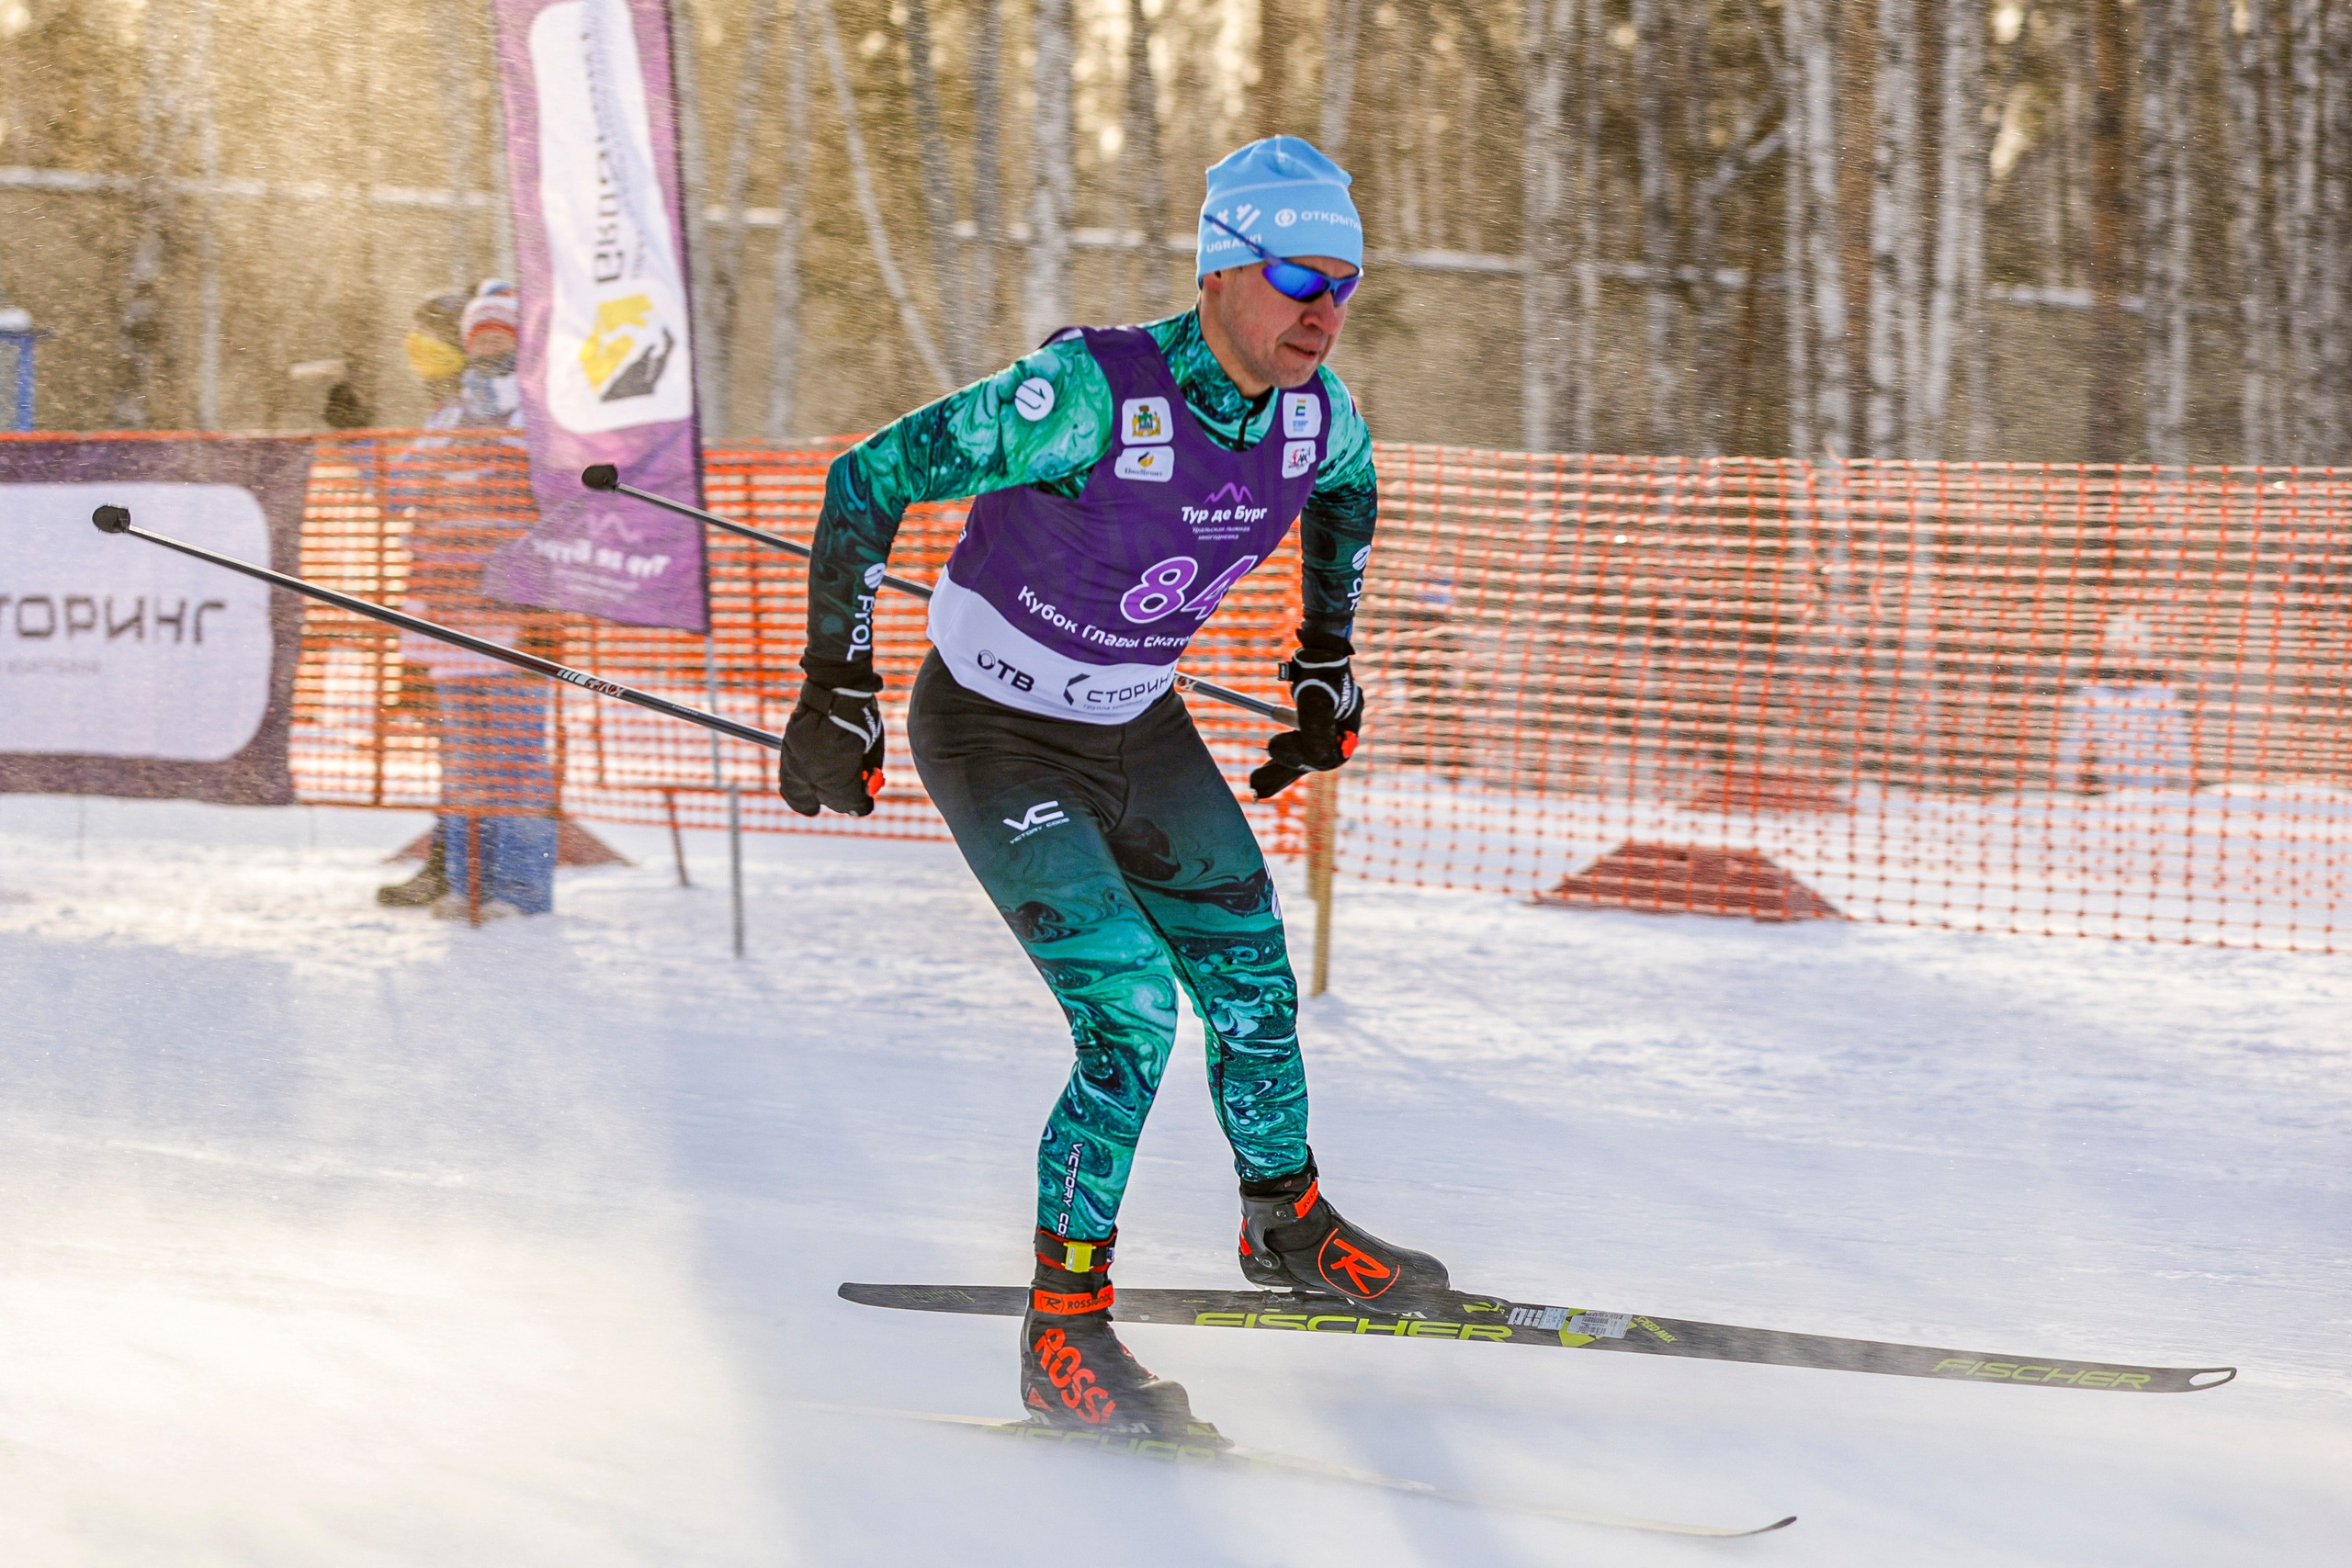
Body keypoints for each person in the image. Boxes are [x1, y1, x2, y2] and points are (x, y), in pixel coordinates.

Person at [778, 138, 1444, 1438]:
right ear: (1220, 269)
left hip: (1134, 721)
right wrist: (834, 686)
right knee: (1133, 1012)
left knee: (1251, 966)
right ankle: (1063, 1336)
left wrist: (1326, 660)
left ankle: (1284, 1219)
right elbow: (868, 477)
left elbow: (1347, 495)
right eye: (1298, 273)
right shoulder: (1087, 394)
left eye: (1345, 282)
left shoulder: (1320, 415)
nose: (1324, 308)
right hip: (994, 731)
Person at [375, 281, 559, 919]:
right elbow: (396, 491)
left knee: (516, 760)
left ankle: (521, 888)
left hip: (513, 613)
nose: (487, 348)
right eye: (478, 337)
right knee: (464, 759)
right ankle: (463, 881)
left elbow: (564, 496)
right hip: (446, 610)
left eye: (500, 336)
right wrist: (352, 438)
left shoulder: (538, 412)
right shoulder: (449, 416)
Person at [2053, 612, 2196, 794]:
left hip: (2152, 790)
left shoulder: (2160, 694)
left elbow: (2176, 741)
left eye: (2131, 652)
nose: (2125, 659)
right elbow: (2075, 741)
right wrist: (2068, 781)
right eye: (2119, 651)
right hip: (2109, 789)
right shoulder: (2094, 693)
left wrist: (2183, 781)